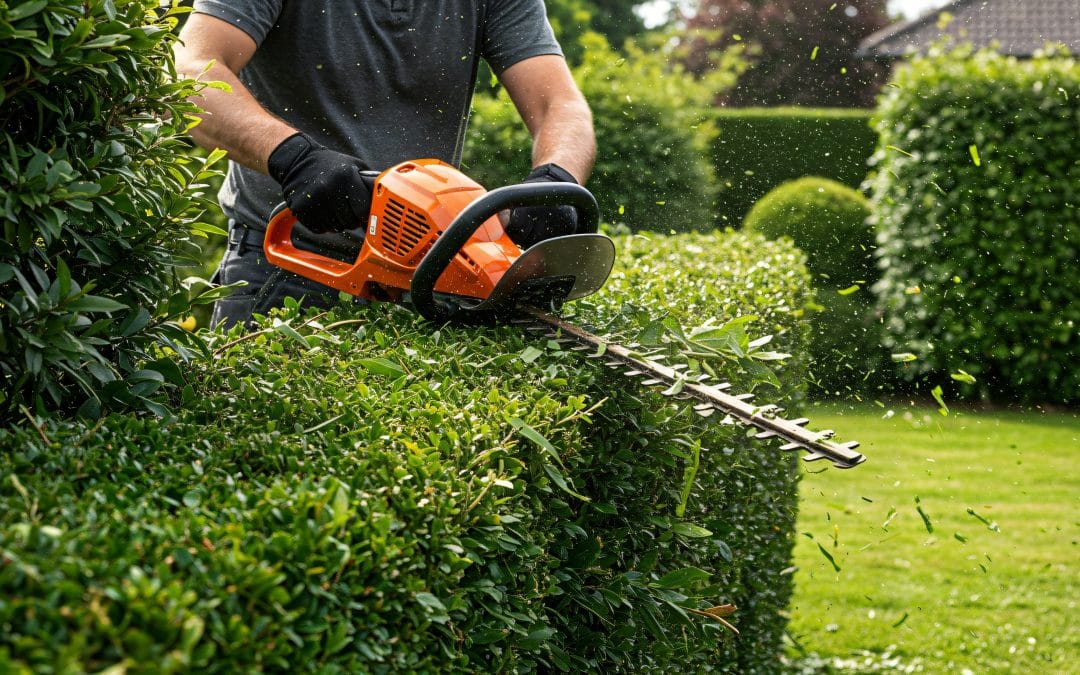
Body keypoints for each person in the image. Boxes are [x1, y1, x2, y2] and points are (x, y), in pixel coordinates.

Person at [174, 1, 596, 329]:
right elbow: (192, 73)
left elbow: (558, 103)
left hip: (429, 274)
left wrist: (556, 180)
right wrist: (293, 157)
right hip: (288, 264)